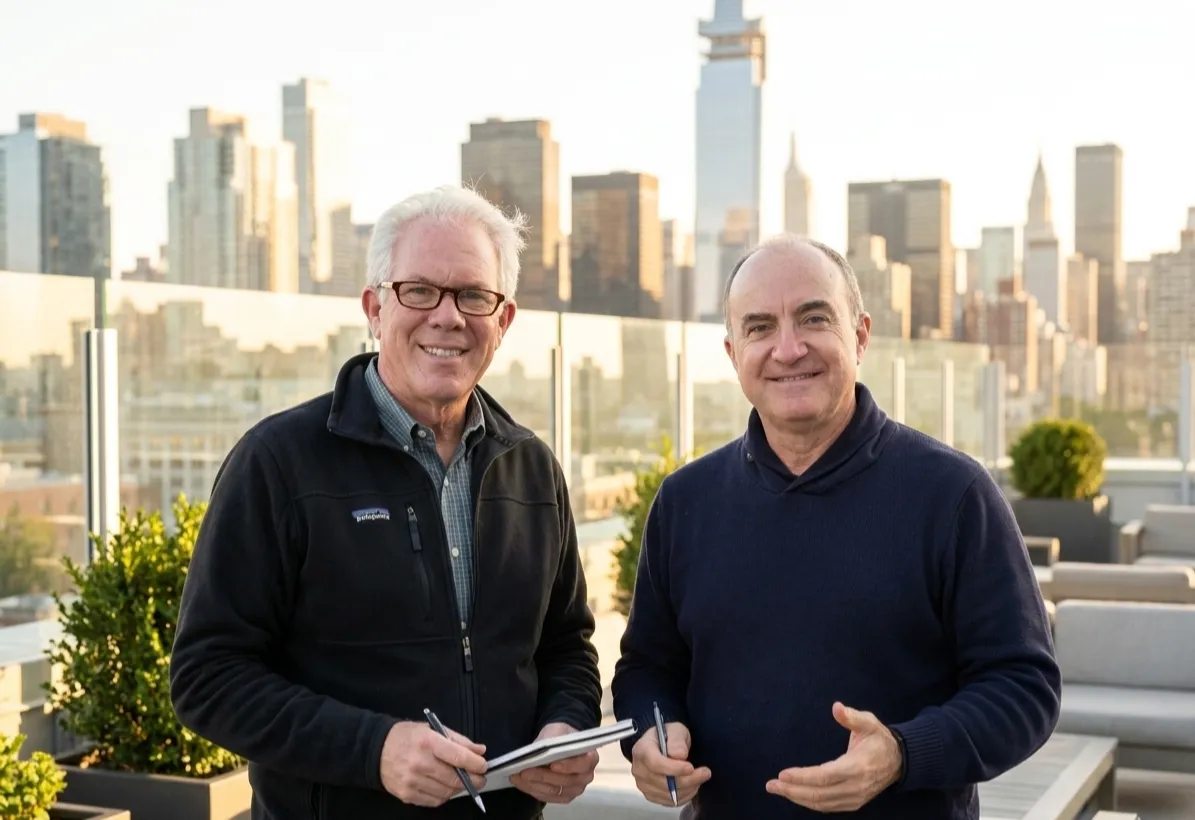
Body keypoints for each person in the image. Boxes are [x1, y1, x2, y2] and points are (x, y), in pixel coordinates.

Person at [170, 185, 603, 820]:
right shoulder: (277, 463)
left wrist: (566, 725)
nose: (447, 317)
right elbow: (207, 677)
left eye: (473, 296)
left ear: (502, 320)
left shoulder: (532, 468)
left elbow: (567, 646)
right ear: (375, 309)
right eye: (419, 290)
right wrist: (374, 749)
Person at [611, 234, 1061, 819]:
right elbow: (647, 667)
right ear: (731, 353)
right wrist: (650, 733)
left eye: (813, 318)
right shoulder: (684, 501)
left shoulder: (954, 495)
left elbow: (1024, 688)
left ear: (861, 335)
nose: (788, 348)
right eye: (759, 328)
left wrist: (902, 753)